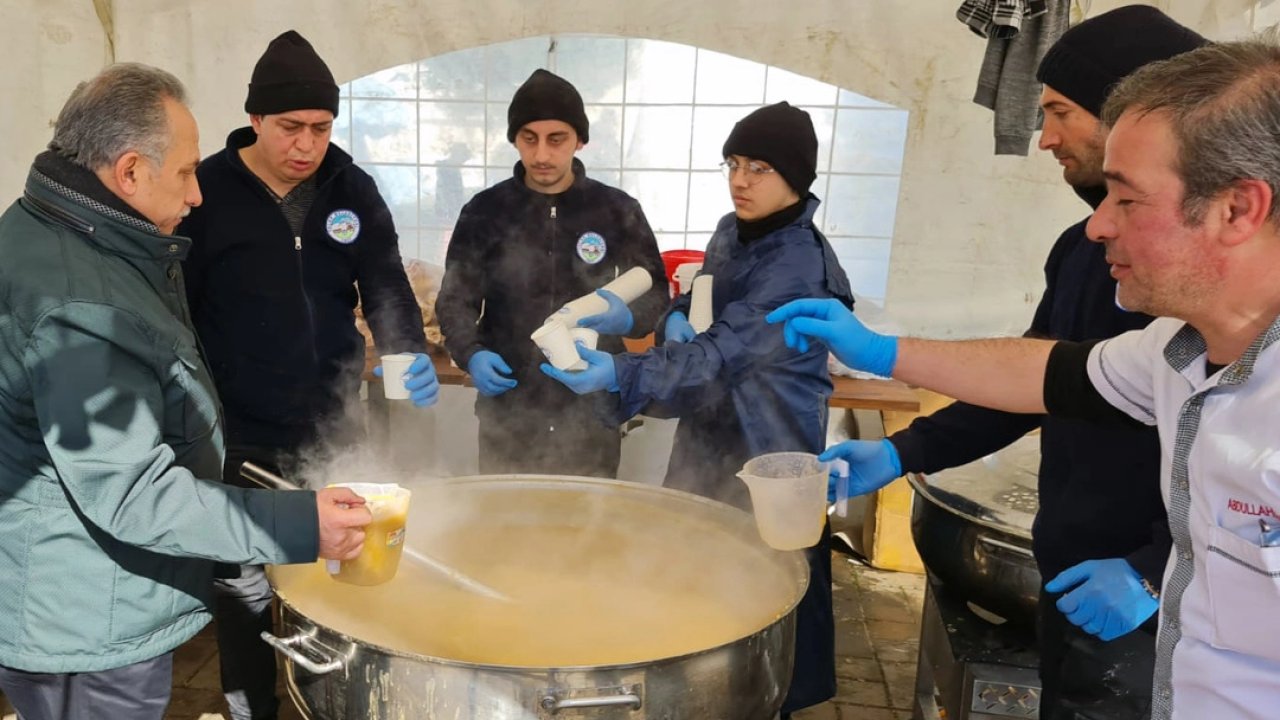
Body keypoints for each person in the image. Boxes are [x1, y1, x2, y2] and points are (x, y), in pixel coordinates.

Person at [768, 38, 1280, 720]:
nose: (1099, 225)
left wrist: (1149, 570)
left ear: (1238, 209)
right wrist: (881, 360)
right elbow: (1046, 370)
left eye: (1127, 200)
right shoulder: (1173, 350)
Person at [0, 62, 371, 720]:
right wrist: (303, 525)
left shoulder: (58, 232)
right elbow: (134, 493)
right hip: (86, 626)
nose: (197, 194)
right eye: (185, 171)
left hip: (68, 589)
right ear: (130, 171)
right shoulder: (79, 304)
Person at [541, 102, 850, 715]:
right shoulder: (733, 228)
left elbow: (723, 352)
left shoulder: (797, 265)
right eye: (733, 164)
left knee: (771, 593)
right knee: (692, 566)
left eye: (759, 168)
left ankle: (771, 701)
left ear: (797, 178)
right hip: (709, 434)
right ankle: (701, 692)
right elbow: (702, 299)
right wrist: (667, 315)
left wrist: (618, 374)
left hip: (769, 444)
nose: (740, 180)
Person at [178, 30, 436, 720]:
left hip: (333, 429)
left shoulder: (352, 188)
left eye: (321, 128)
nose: (306, 144)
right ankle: (249, 708)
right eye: (290, 127)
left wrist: (407, 350)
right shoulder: (205, 192)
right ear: (255, 120)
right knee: (245, 596)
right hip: (237, 436)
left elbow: (383, 284)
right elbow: (178, 308)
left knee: (341, 584)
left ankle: (330, 702)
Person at [435, 68, 668, 477]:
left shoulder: (616, 210)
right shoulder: (486, 211)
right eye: (529, 139)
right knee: (505, 529)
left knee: (585, 530)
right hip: (509, 410)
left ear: (580, 140)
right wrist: (471, 354)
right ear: (514, 140)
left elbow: (656, 297)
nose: (541, 155)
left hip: (592, 410)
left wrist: (627, 318)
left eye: (556, 139)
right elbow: (455, 299)